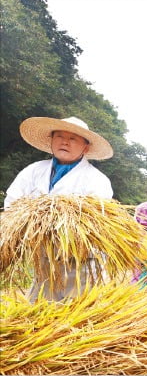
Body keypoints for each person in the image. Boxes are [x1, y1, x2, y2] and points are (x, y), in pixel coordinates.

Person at [4, 116, 114, 302]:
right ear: (51, 140)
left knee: (78, 314)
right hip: (43, 258)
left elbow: (96, 220)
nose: (65, 141)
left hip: (82, 261)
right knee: (39, 312)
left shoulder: (97, 179)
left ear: (85, 147)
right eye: (60, 136)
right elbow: (12, 204)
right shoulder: (33, 171)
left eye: (73, 139)